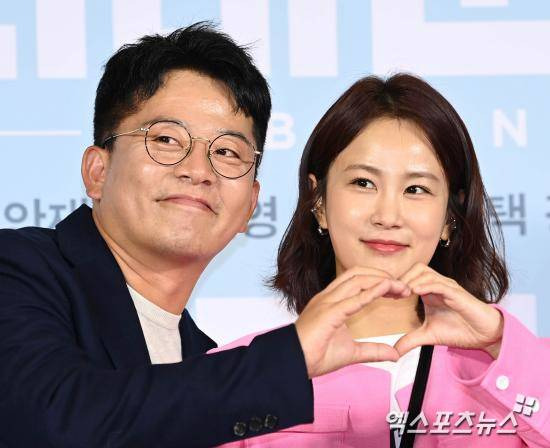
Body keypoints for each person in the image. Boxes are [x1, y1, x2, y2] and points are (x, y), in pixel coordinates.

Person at [0, 24, 408, 448]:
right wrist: (289, 357)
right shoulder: (17, 269)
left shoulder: (205, 358)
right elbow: (55, 417)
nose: (198, 171)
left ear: (250, 205)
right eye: (166, 139)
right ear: (97, 172)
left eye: (227, 152)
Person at [214, 74, 550, 447]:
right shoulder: (240, 375)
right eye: (363, 183)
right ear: (318, 202)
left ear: (449, 218)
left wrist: (499, 341)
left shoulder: (520, 371)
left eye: (416, 189)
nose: (388, 215)